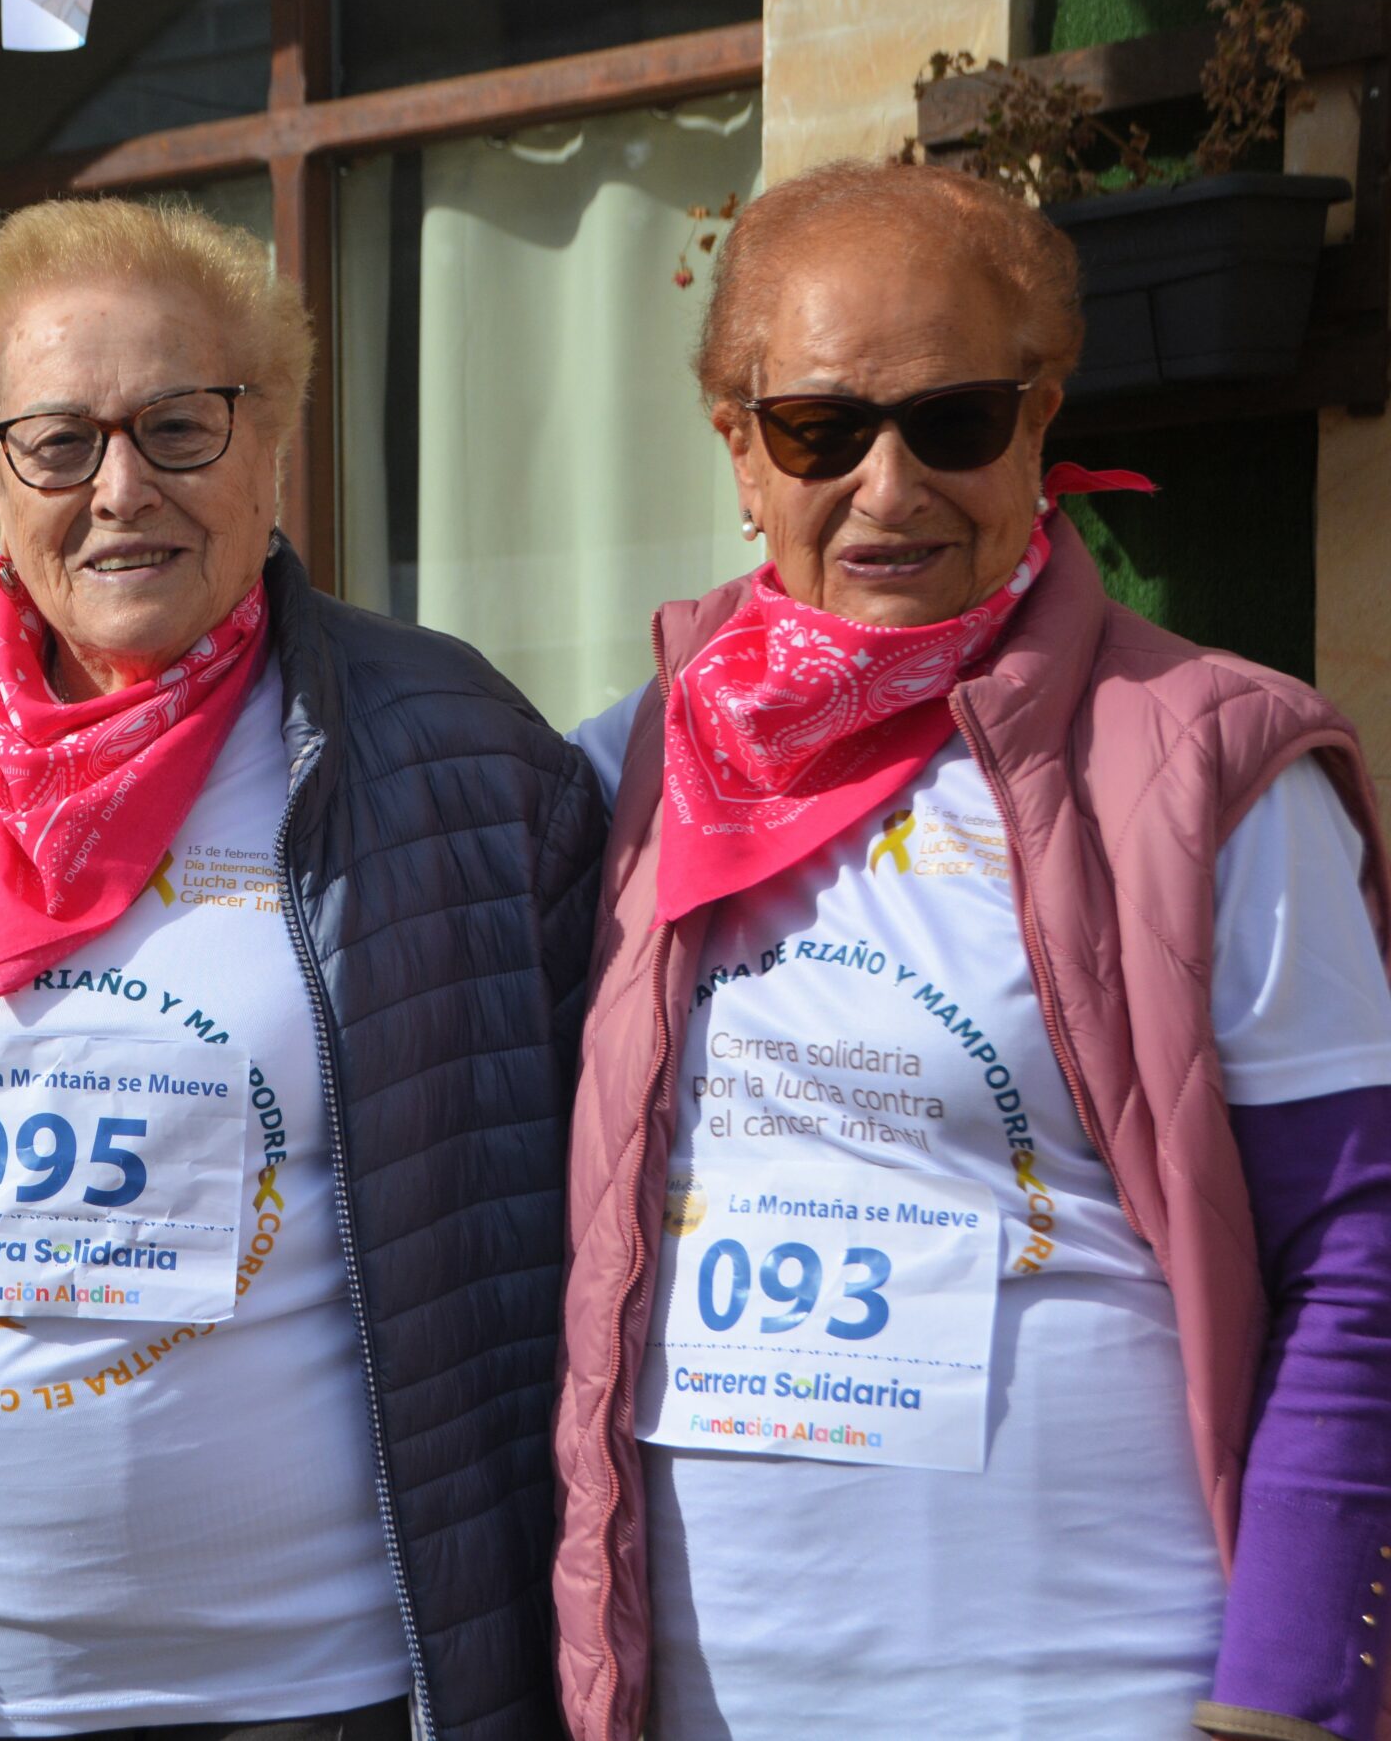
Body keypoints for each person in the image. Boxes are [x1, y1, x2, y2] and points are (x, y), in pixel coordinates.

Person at [0, 196, 604, 1741]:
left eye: (182, 426)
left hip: (335, 1685)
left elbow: (589, 1157)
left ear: (275, 440)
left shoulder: (456, 750)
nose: (122, 490)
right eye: (59, 440)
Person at [554, 159, 1391, 1741]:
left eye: (954, 420)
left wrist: (1288, 1697)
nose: (890, 486)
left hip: (1093, 1691)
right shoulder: (616, 776)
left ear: (1038, 424)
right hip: (705, 1697)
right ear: (738, 447)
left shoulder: (1210, 767)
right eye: (819, 427)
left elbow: (1357, 1256)